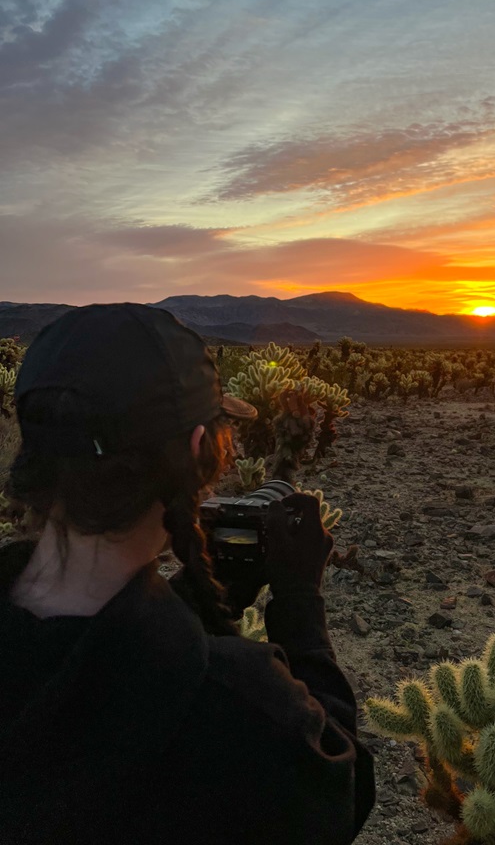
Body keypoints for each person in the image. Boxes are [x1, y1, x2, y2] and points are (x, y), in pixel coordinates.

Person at [0, 303, 375, 845]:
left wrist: (190, 601)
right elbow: (340, 788)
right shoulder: (234, 705)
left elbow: (80, 661)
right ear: (199, 448)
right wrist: (299, 603)